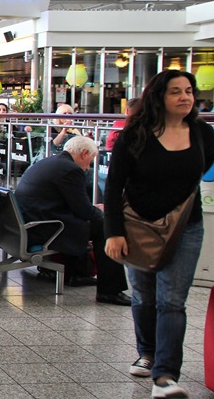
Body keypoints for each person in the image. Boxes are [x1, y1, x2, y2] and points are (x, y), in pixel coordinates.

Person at [104, 70, 214, 397]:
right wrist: (114, 232)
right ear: (159, 97)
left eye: (189, 91)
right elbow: (113, 186)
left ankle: (165, 376)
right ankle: (147, 352)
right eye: (175, 92)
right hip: (137, 225)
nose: (185, 97)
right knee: (144, 294)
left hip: (185, 227)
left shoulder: (203, 134)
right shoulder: (135, 134)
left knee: (172, 301)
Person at [14, 136, 130, 305]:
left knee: (91, 221)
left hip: (30, 222)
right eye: (89, 162)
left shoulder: (50, 162)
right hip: (45, 228)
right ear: (84, 153)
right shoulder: (70, 170)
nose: (88, 168)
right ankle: (110, 291)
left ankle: (78, 274)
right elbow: (83, 209)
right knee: (105, 227)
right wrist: (105, 216)